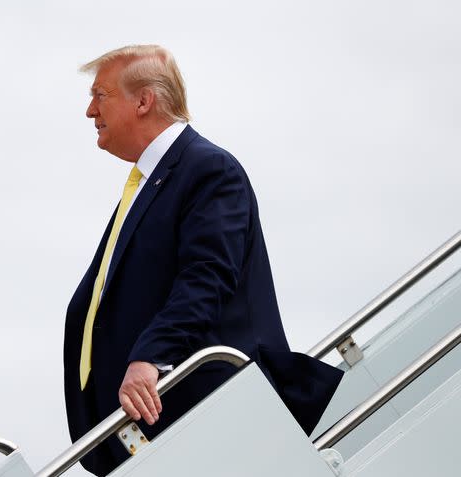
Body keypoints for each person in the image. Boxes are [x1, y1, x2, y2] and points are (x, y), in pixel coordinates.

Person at [63, 45, 342, 476]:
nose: (89, 110)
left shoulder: (209, 169)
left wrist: (151, 357)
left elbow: (207, 277)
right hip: (151, 428)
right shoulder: (148, 182)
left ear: (143, 101)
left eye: (100, 95)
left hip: (204, 416)